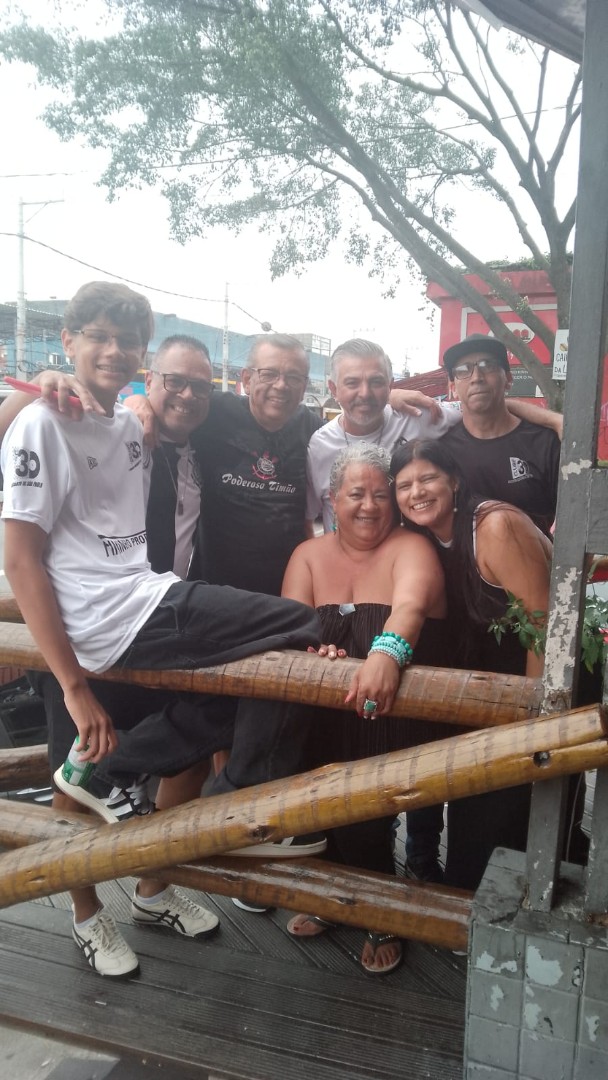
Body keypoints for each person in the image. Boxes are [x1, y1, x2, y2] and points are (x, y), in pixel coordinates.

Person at [1, 281, 326, 976]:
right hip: (87, 633)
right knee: (73, 776)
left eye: (199, 386)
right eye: (99, 338)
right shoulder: (57, 417)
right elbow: (21, 551)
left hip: (156, 613)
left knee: (193, 742)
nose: (185, 394)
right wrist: (31, 392)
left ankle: (153, 891)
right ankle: (87, 916)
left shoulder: (151, 433)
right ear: (71, 342)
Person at [281, 443, 451, 974]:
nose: (370, 506)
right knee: (318, 808)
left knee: (366, 814)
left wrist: (386, 652)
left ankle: (380, 907)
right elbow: (291, 626)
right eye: (357, 493)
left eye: (382, 494)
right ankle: (337, 898)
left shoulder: (411, 547)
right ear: (333, 498)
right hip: (324, 713)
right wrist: (315, 652)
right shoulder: (308, 555)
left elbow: (411, 606)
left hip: (392, 717)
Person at [391, 438, 552, 890]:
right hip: (486, 690)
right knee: (474, 807)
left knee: (512, 812)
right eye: (404, 485)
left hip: (535, 686)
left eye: (428, 479)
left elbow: (543, 626)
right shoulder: (424, 537)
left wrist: (535, 720)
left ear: (455, 481)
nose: (417, 492)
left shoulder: (495, 526)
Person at [440, 333, 561, 536]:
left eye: (488, 365)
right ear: (452, 387)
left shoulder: (545, 443)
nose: (476, 377)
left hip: (539, 554)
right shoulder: (442, 452)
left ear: (508, 379)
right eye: (463, 370)